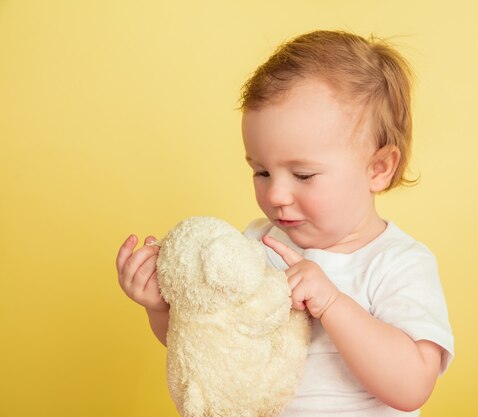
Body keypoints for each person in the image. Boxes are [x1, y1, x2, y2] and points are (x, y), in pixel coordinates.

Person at [116, 30, 454, 416]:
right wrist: (161, 310)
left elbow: (412, 386)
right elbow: (212, 350)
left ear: (378, 169)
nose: (275, 195)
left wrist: (332, 304)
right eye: (261, 172)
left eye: (303, 175)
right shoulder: (254, 246)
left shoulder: (398, 263)